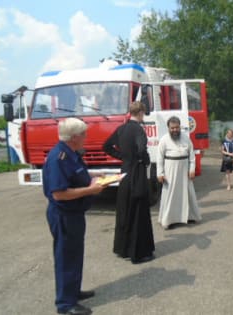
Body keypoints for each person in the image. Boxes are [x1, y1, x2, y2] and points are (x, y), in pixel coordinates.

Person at [43, 118, 107, 315]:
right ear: (74, 137)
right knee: (66, 258)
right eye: (84, 134)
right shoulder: (59, 157)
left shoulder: (70, 154)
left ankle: (72, 292)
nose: (86, 137)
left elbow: (76, 176)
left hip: (74, 214)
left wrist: (94, 178)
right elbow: (59, 193)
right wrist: (90, 190)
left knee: (74, 255)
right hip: (64, 215)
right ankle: (65, 304)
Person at [103, 101, 155, 264]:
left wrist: (123, 158)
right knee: (139, 210)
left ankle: (122, 249)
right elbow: (141, 149)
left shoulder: (122, 128)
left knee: (124, 210)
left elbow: (106, 146)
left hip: (124, 172)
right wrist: (144, 160)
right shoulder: (138, 129)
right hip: (136, 173)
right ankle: (138, 253)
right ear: (140, 113)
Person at [157, 116, 202, 229]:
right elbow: (159, 159)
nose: (175, 130)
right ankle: (168, 220)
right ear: (168, 128)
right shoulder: (164, 140)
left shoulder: (186, 139)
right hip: (170, 173)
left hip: (184, 172)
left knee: (188, 194)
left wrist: (192, 169)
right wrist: (160, 173)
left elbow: (192, 157)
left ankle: (190, 216)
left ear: (180, 127)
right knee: (170, 195)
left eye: (177, 127)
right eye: (172, 128)